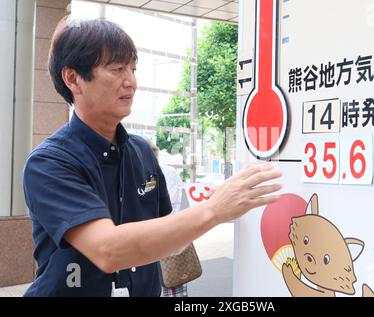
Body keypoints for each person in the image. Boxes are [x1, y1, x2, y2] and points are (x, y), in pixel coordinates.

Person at [22, 17, 282, 297]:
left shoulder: (141, 151)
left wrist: (221, 204)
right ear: (73, 78)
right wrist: (213, 209)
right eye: (117, 69)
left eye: (133, 69)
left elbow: (170, 237)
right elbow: (107, 250)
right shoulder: (49, 163)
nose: (131, 82)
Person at [147, 140, 188, 297]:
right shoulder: (144, 174)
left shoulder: (167, 173)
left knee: (170, 284)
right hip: (158, 239)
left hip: (166, 238)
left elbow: (168, 207)